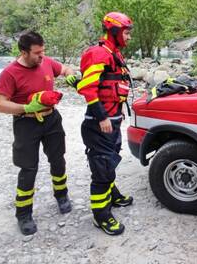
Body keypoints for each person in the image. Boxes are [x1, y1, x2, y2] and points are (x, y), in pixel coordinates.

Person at [0, 31, 76, 236]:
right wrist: (27, 108)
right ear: (23, 52)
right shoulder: (10, 73)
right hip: (26, 123)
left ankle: (62, 195)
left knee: (58, 160)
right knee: (28, 168)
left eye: (43, 51)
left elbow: (64, 68)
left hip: (51, 119)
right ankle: (23, 214)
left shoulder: (46, 62)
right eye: (37, 53)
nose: (42, 56)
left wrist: (70, 74)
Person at [76, 12, 134, 235]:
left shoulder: (114, 53)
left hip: (112, 121)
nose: (129, 37)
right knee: (102, 168)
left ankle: (113, 194)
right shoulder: (99, 54)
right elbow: (88, 89)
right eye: (126, 33)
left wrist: (115, 117)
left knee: (110, 162)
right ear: (115, 31)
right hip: (99, 124)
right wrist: (102, 117)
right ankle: (101, 216)